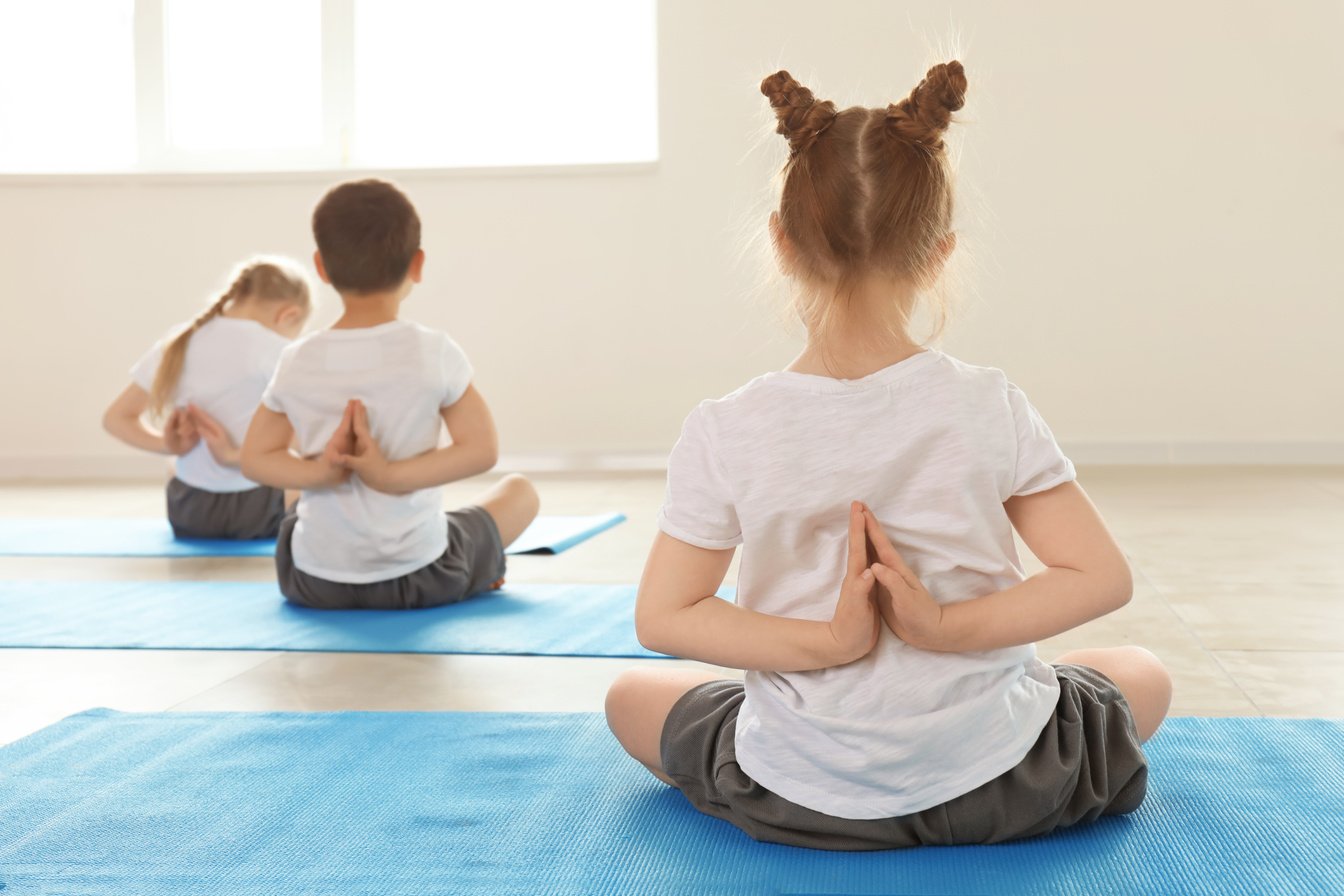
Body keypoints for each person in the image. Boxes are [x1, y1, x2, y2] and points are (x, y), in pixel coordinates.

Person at [605, 63, 1173, 850]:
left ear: (779, 244)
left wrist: (827, 647)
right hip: (1008, 781)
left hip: (801, 794)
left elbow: (663, 617)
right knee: (1140, 669)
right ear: (939, 254)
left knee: (630, 695)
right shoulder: (988, 403)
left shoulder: (726, 426)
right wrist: (943, 627)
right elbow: (1101, 577)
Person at [240, 179, 538, 610]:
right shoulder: (433, 351)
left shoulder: (296, 359)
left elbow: (255, 459)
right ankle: (481, 566)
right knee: (520, 491)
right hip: (423, 576)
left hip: (310, 581)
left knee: (295, 482)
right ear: (417, 264)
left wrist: (325, 471)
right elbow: (482, 450)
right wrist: (389, 477)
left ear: (321, 268)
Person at [103, 258, 311, 539]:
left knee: (173, 463)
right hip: (261, 513)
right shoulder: (277, 350)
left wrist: (169, 445)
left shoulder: (179, 341)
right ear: (288, 315)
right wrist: (236, 456)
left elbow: (115, 419)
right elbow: (310, 433)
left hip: (189, 512)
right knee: (296, 450)